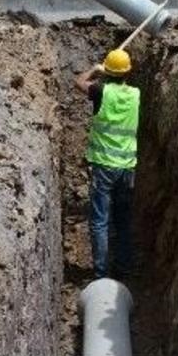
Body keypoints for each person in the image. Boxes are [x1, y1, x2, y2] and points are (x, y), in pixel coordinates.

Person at [74, 48, 140, 280]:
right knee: (122, 219)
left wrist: (95, 69)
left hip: (104, 167)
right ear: (127, 73)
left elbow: (79, 82)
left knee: (100, 221)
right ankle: (124, 267)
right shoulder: (135, 94)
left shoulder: (102, 91)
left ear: (108, 72)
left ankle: (101, 273)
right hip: (127, 168)